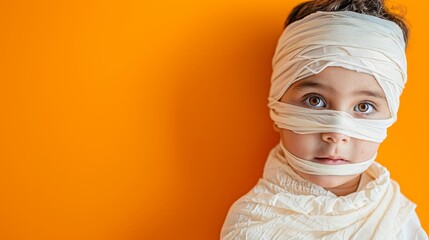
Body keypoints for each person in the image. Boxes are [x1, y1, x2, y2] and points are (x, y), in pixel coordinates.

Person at [221, 0, 428, 239]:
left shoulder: (397, 217)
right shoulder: (252, 225)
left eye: (364, 106)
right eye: (314, 101)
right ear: (277, 102)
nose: (337, 132)